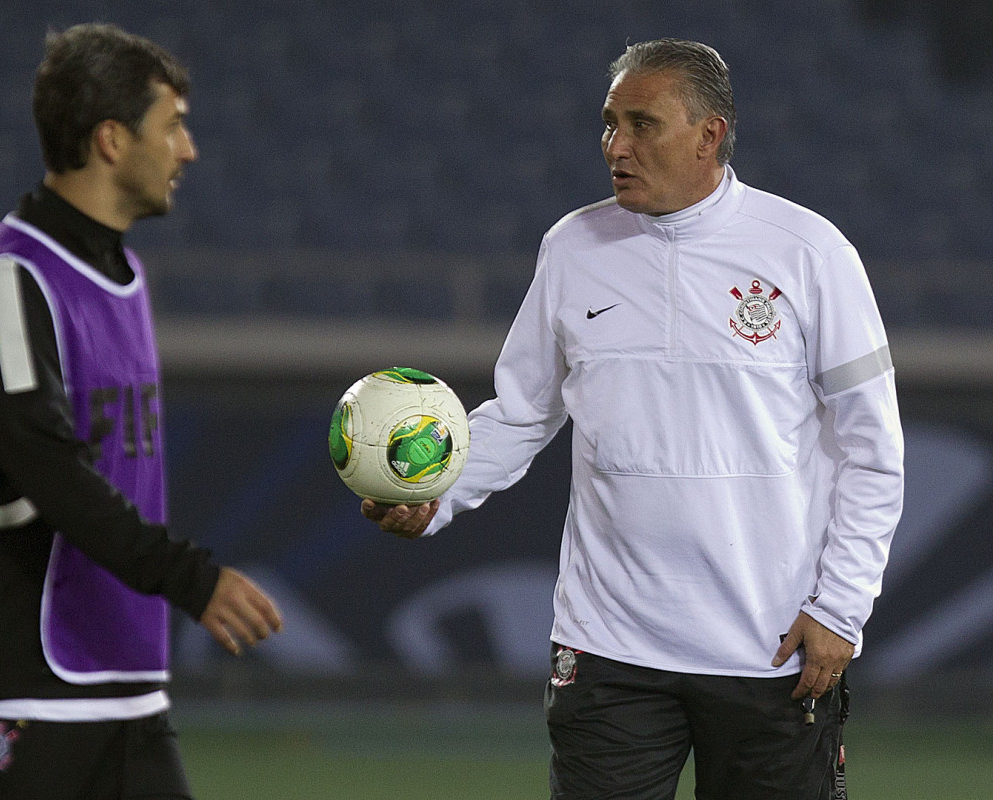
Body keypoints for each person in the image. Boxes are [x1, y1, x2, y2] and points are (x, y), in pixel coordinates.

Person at [363, 38, 904, 799]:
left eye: (642, 124)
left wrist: (840, 607)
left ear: (709, 135)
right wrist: (436, 494)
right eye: (610, 124)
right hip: (608, 644)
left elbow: (872, 451)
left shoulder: (810, 253)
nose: (617, 146)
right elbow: (521, 415)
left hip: (770, 647)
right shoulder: (573, 246)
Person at [0, 23, 283, 799]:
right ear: (110, 139)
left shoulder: (122, 275)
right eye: (172, 126)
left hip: (122, 680)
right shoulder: (10, 280)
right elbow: (47, 468)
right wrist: (191, 579)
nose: (188, 150)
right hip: (7, 680)